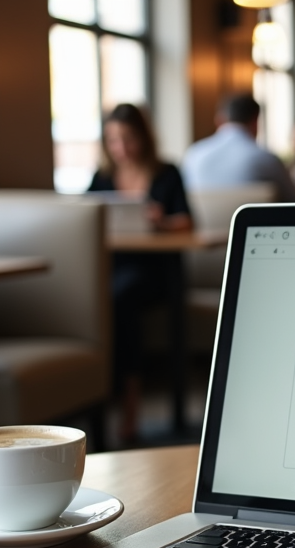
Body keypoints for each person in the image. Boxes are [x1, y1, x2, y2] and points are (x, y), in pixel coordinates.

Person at [89, 103, 193, 443]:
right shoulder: (101, 177)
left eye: (128, 139)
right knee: (102, 296)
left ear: (143, 138)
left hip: (156, 270)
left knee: (120, 297)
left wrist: (161, 222)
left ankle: (129, 406)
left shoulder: (167, 173)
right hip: (113, 266)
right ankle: (102, 405)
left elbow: (188, 222)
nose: (121, 148)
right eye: (113, 140)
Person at [181, 94, 295, 202]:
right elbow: (293, 202)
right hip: (254, 226)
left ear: (219, 120)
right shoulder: (266, 158)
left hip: (201, 227)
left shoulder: (193, 154)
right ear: (255, 122)